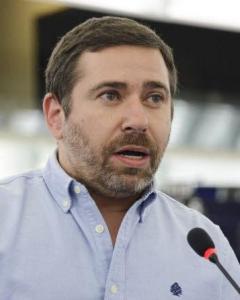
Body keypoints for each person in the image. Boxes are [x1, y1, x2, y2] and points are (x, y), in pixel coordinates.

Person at [0, 16, 239, 300]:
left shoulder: (208, 246)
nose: (138, 120)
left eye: (154, 98)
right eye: (111, 95)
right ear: (56, 115)